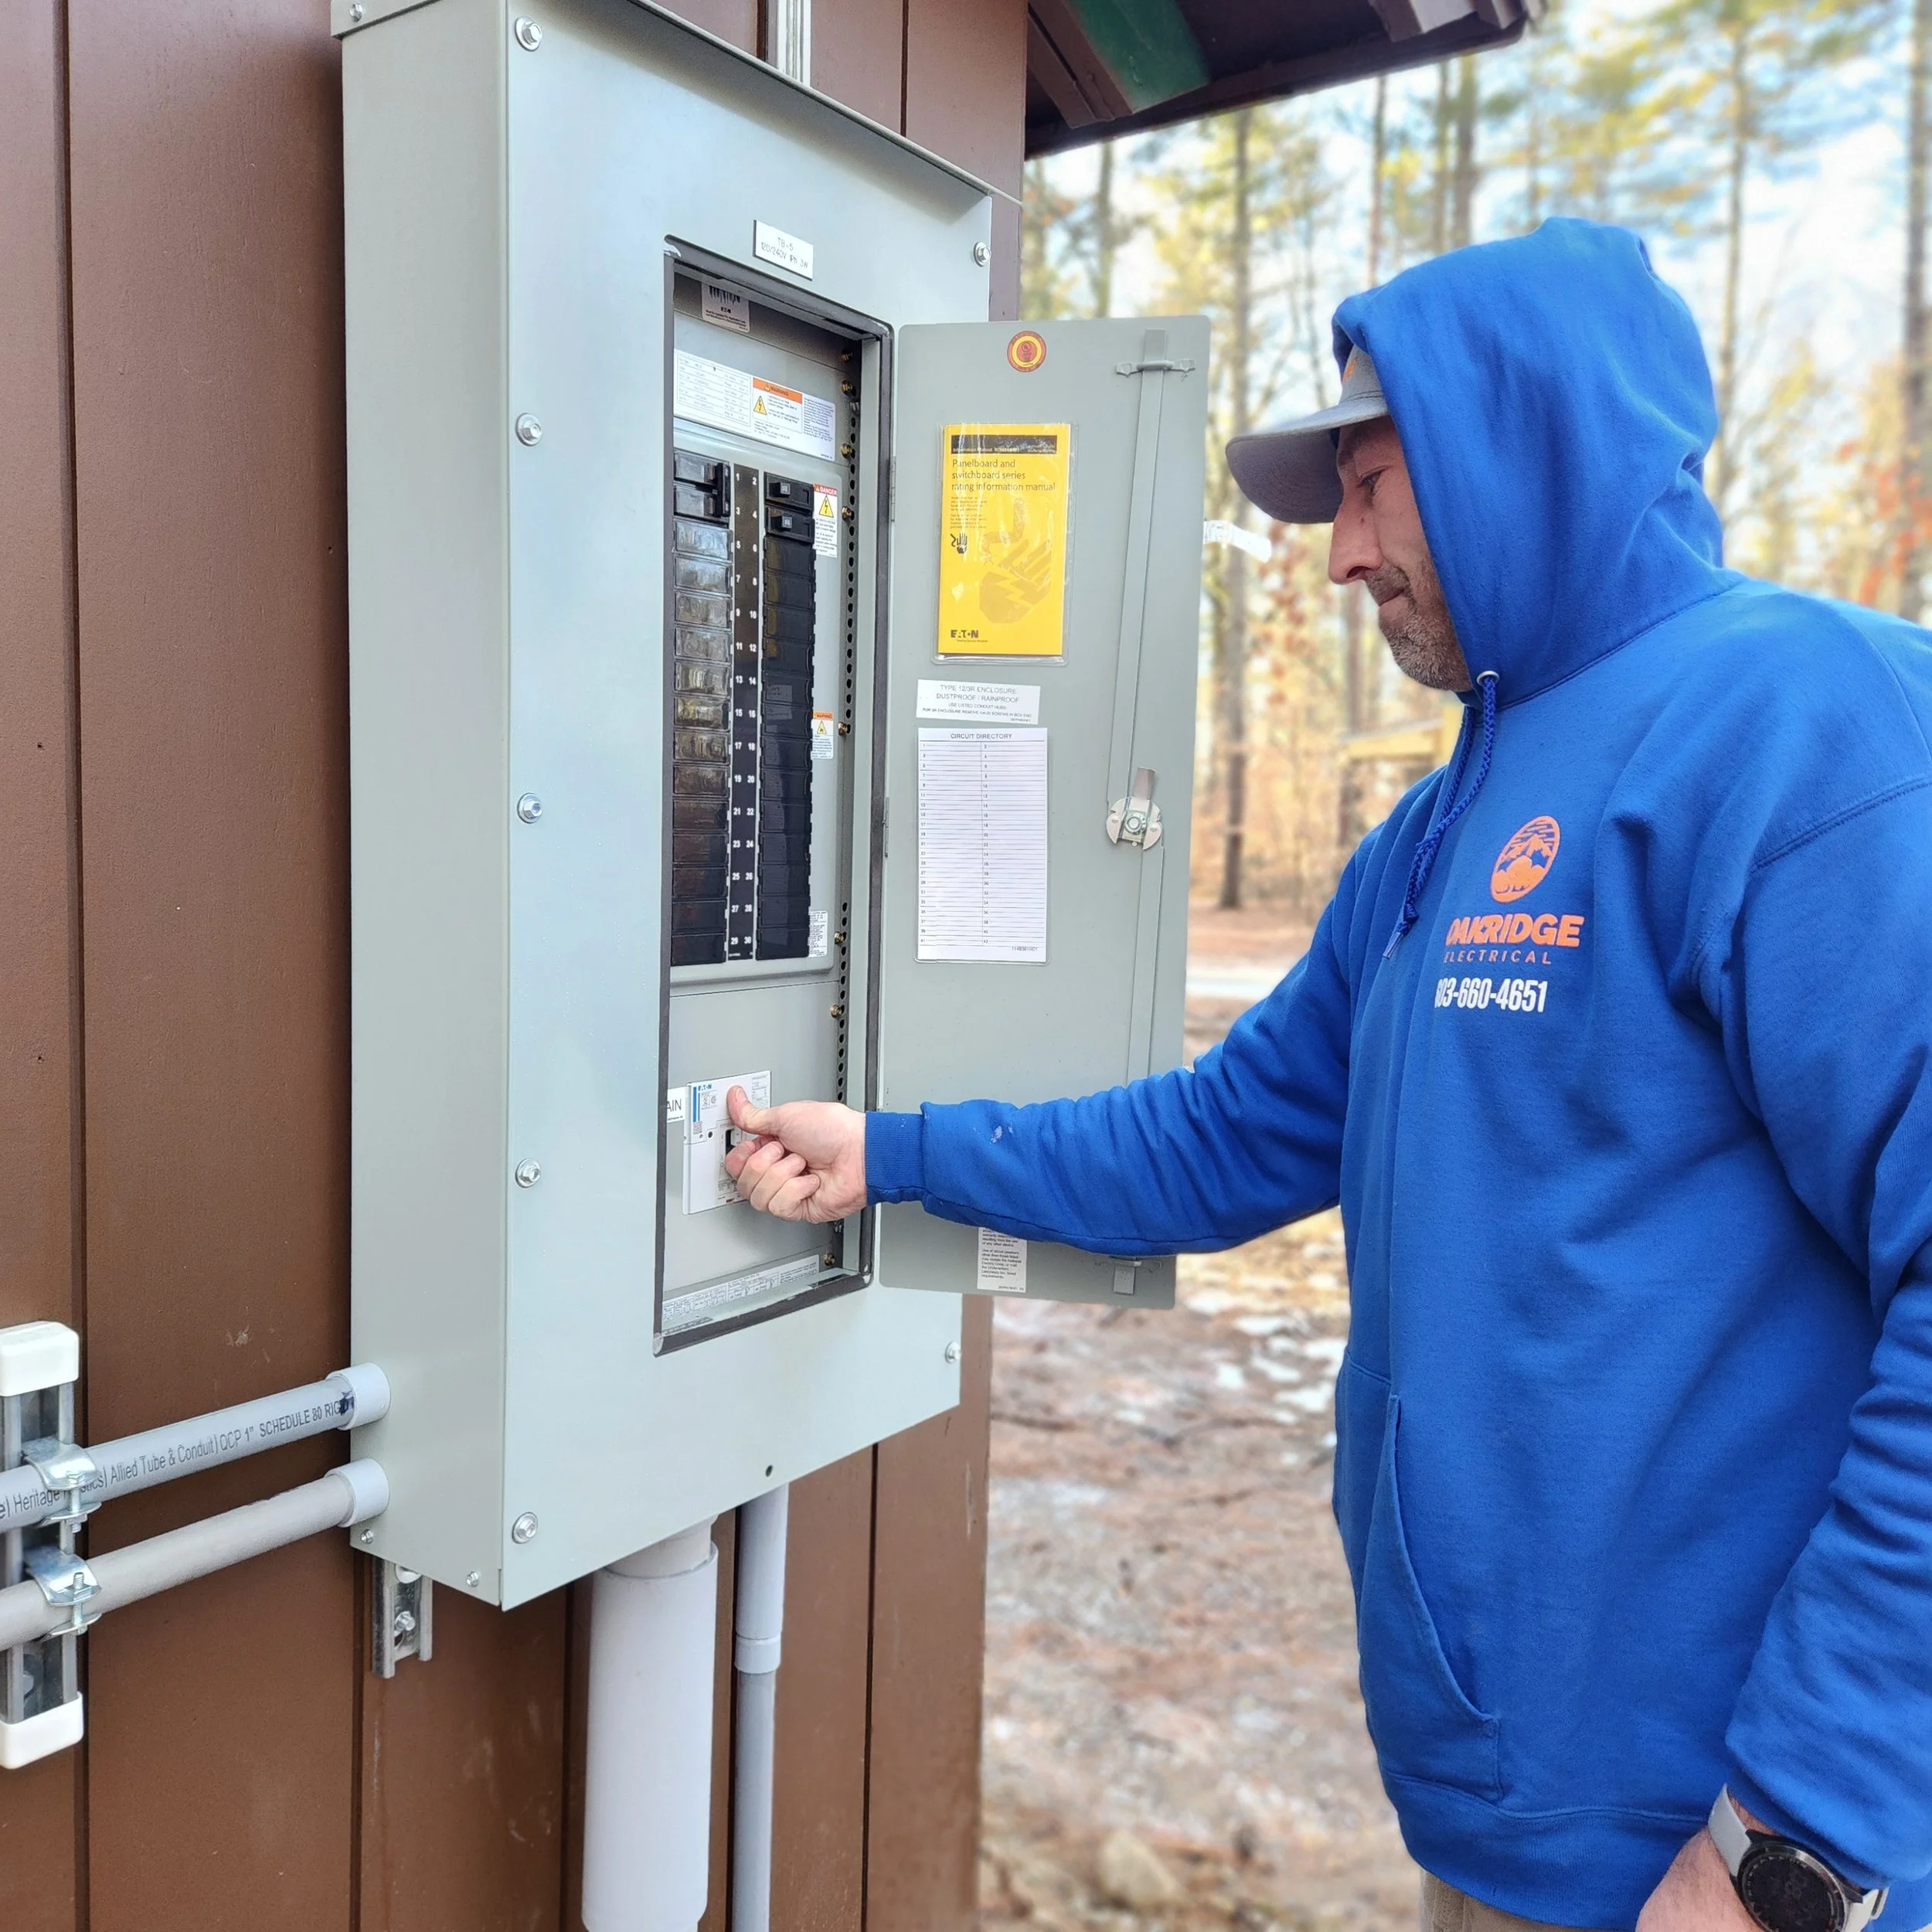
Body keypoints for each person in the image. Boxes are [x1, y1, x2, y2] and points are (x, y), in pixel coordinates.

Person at [723, 219, 1932, 1932]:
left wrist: (1793, 1845)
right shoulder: (1439, 831)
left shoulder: (1809, 735)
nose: (1339, 555)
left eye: (1370, 485)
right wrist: (895, 1148)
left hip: (1721, 1856)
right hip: (1509, 1820)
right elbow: (1216, 1139)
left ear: (1527, 444)